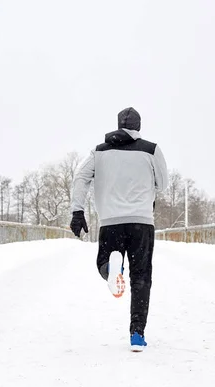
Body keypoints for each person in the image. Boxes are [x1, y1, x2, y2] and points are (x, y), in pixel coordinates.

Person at [70, 107, 168, 352]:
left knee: (104, 261)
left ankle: (111, 269)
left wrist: (77, 211)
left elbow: (80, 178)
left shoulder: (99, 152)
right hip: (141, 222)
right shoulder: (151, 149)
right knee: (141, 277)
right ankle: (137, 334)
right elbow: (164, 184)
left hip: (111, 222)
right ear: (139, 127)